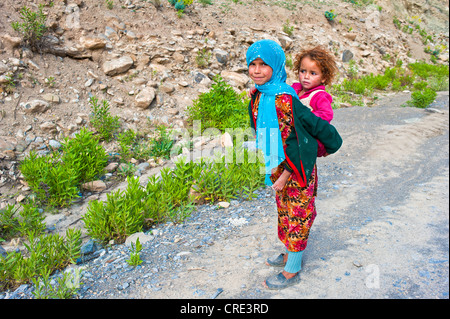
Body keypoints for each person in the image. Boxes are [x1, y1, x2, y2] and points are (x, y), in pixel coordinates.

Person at [246, 39, 342, 289]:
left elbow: (297, 142)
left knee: (299, 212)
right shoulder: (265, 95)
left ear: (275, 66)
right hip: (280, 164)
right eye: (252, 64)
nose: (257, 70)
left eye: (263, 64)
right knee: (285, 211)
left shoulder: (284, 99)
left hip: (298, 167)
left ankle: (292, 270)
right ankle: (290, 252)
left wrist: (285, 174)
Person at [291, 46, 338, 157]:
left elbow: (326, 114)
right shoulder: (294, 89)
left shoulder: (319, 96)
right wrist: (258, 88)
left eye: (313, 73)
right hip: (295, 136)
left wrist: (307, 116)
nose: (306, 76)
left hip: (309, 140)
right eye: (303, 71)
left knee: (303, 168)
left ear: (323, 78)